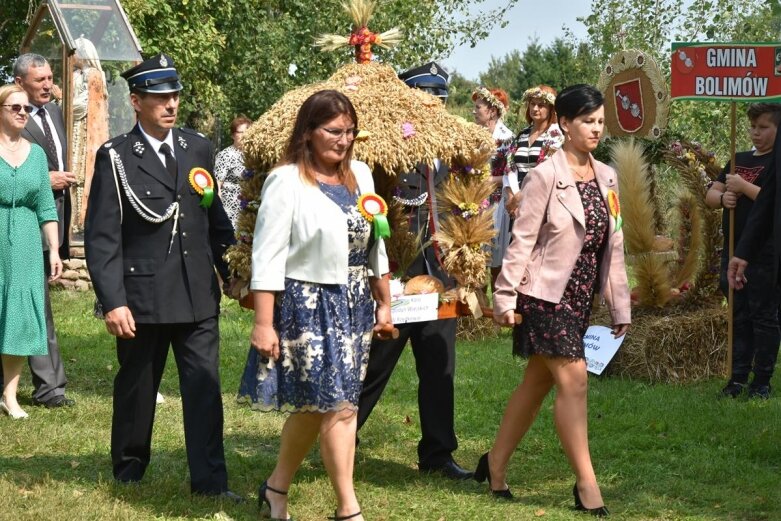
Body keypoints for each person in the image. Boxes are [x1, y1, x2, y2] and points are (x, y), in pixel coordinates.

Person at [85, 53, 240, 500]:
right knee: (137, 387)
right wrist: (113, 301)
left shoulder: (197, 148)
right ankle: (129, 469)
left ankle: (210, 481)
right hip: (142, 296)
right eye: (158, 97)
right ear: (136, 102)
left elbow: (216, 223)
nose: (169, 104)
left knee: (205, 389)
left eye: (173, 95)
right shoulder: (116, 156)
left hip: (196, 294)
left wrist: (233, 273)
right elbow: (102, 237)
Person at [239, 90, 391, 521]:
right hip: (307, 304)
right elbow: (266, 256)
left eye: (350, 132)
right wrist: (263, 325)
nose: (343, 141)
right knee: (339, 407)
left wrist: (384, 302)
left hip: (356, 302)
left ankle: (276, 488)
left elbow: (377, 241)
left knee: (318, 407)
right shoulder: (285, 180)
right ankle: (348, 509)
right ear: (308, 132)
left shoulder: (361, 174)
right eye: (334, 131)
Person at [483, 84, 630, 516]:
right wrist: (504, 298)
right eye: (588, 121)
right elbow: (522, 241)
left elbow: (615, 245)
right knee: (574, 380)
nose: (596, 129)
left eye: (601, 121)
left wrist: (619, 305)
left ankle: (494, 465)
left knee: (536, 383)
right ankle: (588, 486)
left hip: (580, 298)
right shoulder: (544, 175)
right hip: (542, 297)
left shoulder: (608, 176)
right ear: (564, 124)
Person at [356, 62, 473, 481]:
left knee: (440, 367)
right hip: (396, 273)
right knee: (374, 364)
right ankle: (341, 439)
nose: (434, 108)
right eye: (426, 98)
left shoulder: (452, 150)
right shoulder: (385, 149)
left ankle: (438, 454)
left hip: (439, 275)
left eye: (440, 100)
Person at [3, 53, 75, 408]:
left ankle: (50, 386)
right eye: (39, 80)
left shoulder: (55, 112)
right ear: (19, 83)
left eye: (49, 78)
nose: (48, 85)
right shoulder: (14, 119)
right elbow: (20, 170)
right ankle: (42, 387)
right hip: (17, 223)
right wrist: (47, 180)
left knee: (37, 306)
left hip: (50, 219)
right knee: (23, 305)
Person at [714, 103, 781, 399]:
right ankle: (737, 376)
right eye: (753, 127)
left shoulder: (774, 164)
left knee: (763, 315)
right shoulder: (738, 159)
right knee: (738, 314)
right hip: (733, 248)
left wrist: (743, 186)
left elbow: (771, 200)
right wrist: (723, 197)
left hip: (765, 253)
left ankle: (762, 379)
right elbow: (711, 191)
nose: (756, 133)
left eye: (764, 127)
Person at [472, 86, 514, 287]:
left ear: (492, 111)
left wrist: (489, 180)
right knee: (478, 255)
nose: (474, 111)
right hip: (475, 200)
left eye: (478, 107)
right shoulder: (474, 135)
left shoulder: (506, 137)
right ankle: (479, 309)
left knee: (497, 255)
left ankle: (497, 308)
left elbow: (511, 173)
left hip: (497, 202)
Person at [71, 36, 110, 238]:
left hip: (86, 129)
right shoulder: (78, 74)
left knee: (84, 171)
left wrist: (63, 100)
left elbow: (82, 105)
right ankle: (74, 219)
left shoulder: (93, 75)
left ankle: (82, 220)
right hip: (76, 128)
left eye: (75, 51)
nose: (73, 55)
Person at [505, 85, 564, 213]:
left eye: (541, 105)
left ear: (551, 108)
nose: (535, 108)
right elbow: (509, 167)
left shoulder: (556, 136)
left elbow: (548, 173)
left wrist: (520, 199)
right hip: (516, 203)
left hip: (541, 202)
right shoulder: (522, 135)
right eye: (532, 104)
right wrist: (511, 198)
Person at [215, 115, 251, 230]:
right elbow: (217, 184)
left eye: (246, 131)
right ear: (232, 135)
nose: (243, 135)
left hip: (249, 206)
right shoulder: (225, 155)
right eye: (239, 132)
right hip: (230, 209)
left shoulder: (253, 154)